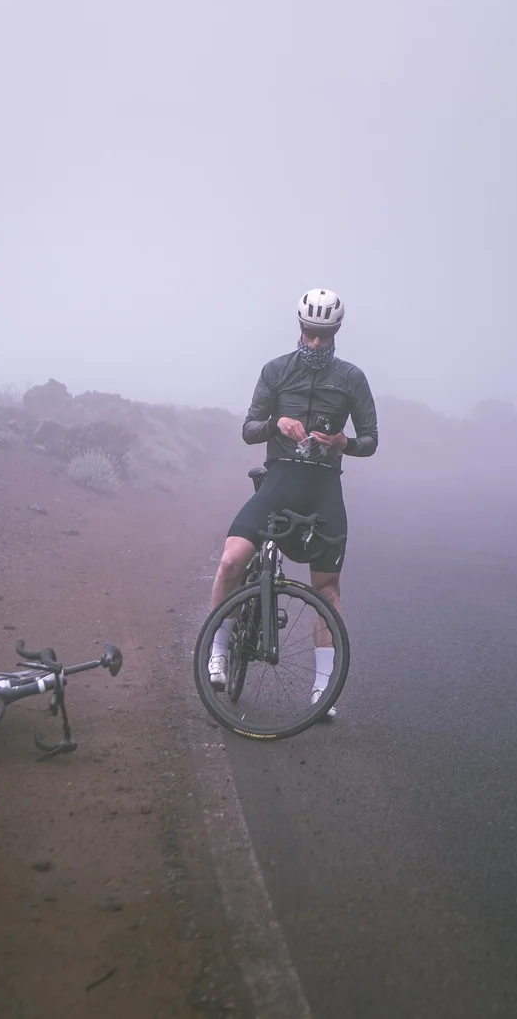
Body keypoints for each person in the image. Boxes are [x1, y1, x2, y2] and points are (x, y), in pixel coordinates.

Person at [207, 288, 378, 715]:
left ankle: (322, 691)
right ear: (299, 328)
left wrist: (343, 442)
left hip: (323, 484)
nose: (315, 343)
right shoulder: (276, 370)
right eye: (309, 333)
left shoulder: (352, 378)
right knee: (231, 560)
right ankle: (216, 650)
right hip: (280, 478)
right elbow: (248, 429)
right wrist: (275, 423)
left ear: (336, 331)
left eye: (324, 334)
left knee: (327, 588)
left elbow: (371, 441)